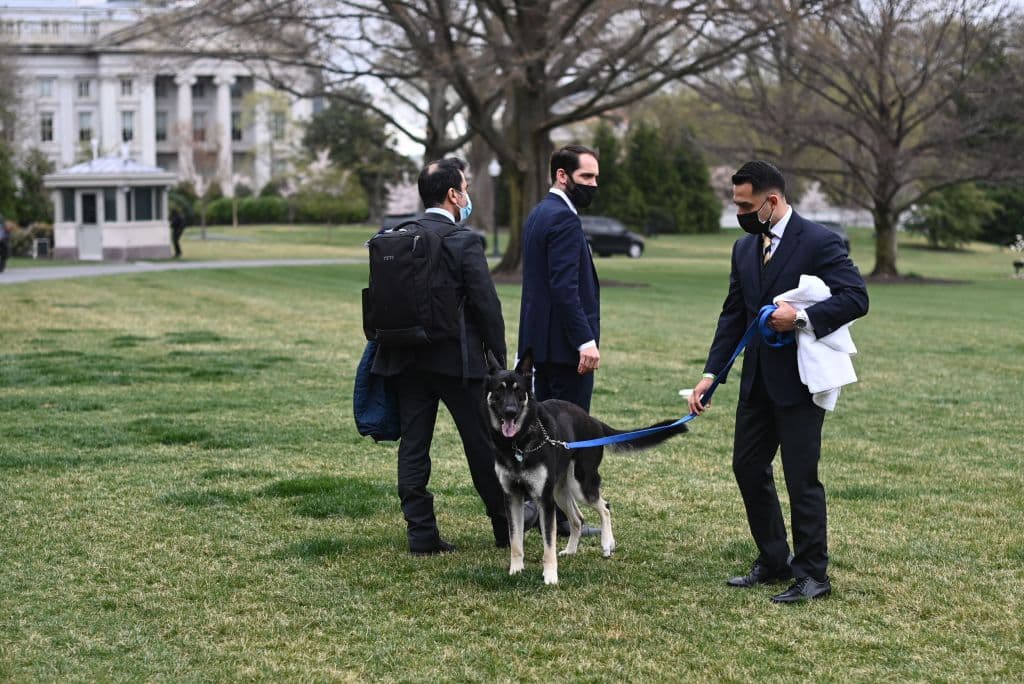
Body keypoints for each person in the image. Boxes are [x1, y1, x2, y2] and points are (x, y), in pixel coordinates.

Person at [687, 161, 868, 603]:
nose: (740, 212)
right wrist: (711, 374)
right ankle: (773, 559)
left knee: (800, 477)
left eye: (746, 205)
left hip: (800, 384)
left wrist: (802, 317)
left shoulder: (820, 241)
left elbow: (856, 297)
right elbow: (734, 315)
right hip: (756, 384)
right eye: (735, 204)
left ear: (771, 201)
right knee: (747, 467)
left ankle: (812, 575)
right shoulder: (743, 249)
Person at [371, 157, 510, 556]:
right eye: (465, 187)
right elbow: (487, 306)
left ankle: (421, 534)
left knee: (414, 445)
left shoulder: (395, 234)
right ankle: (505, 526)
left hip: (405, 359)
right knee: (483, 444)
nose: (468, 195)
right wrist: (498, 361)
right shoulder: (463, 240)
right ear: (453, 194)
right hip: (458, 363)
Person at [518, 144, 602, 537]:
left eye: (596, 178)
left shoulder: (538, 214)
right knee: (567, 437)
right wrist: (585, 340)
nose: (593, 185)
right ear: (562, 176)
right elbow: (565, 288)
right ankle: (568, 518)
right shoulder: (564, 221)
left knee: (539, 434)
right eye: (586, 177)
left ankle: (541, 510)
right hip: (566, 350)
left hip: (540, 346)